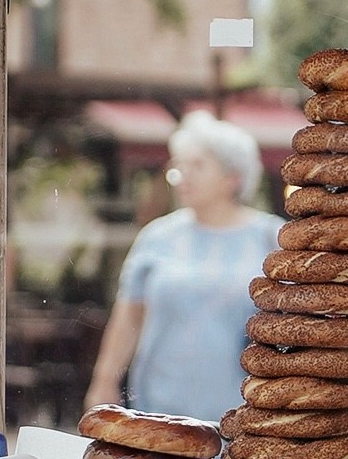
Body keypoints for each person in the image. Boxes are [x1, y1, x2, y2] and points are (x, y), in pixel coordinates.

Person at [82, 112, 269, 432]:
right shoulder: (157, 237)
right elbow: (129, 316)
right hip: (158, 407)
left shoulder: (270, 238)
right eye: (179, 166)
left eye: (197, 166)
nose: (183, 176)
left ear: (233, 178)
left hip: (242, 415)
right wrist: (104, 382)